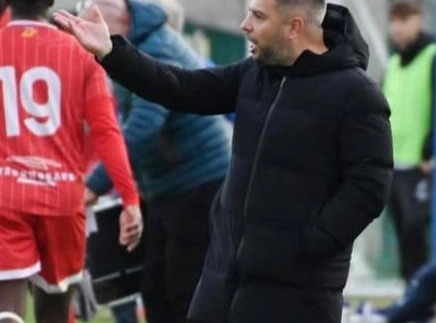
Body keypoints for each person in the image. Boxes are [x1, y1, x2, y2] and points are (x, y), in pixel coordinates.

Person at [53, 0, 393, 322]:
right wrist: (112, 52)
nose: (245, 26)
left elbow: (368, 189)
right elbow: (180, 87)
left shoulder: (357, 95)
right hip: (222, 281)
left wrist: (309, 245)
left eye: (258, 17)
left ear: (294, 27)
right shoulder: (254, 74)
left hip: (297, 294)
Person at [0, 0, 143, 322]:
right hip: (61, 201)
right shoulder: (81, 57)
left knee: (5, 314)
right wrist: (129, 198)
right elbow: (107, 131)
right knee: (55, 315)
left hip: (2, 199)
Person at [81, 1, 231, 323]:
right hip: (166, 187)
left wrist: (95, 184)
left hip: (198, 184)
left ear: (118, 15)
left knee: (183, 288)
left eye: (94, 17)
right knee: (154, 288)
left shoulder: (156, 46)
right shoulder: (133, 44)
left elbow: (145, 126)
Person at [382, 0, 436, 281]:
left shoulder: (434, 55)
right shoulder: (392, 62)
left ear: (419, 20)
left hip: (421, 164)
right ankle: (412, 297)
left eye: (405, 19)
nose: (399, 27)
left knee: (418, 229)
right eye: (395, 20)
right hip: (393, 163)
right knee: (403, 231)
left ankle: (425, 297)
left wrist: (431, 150)